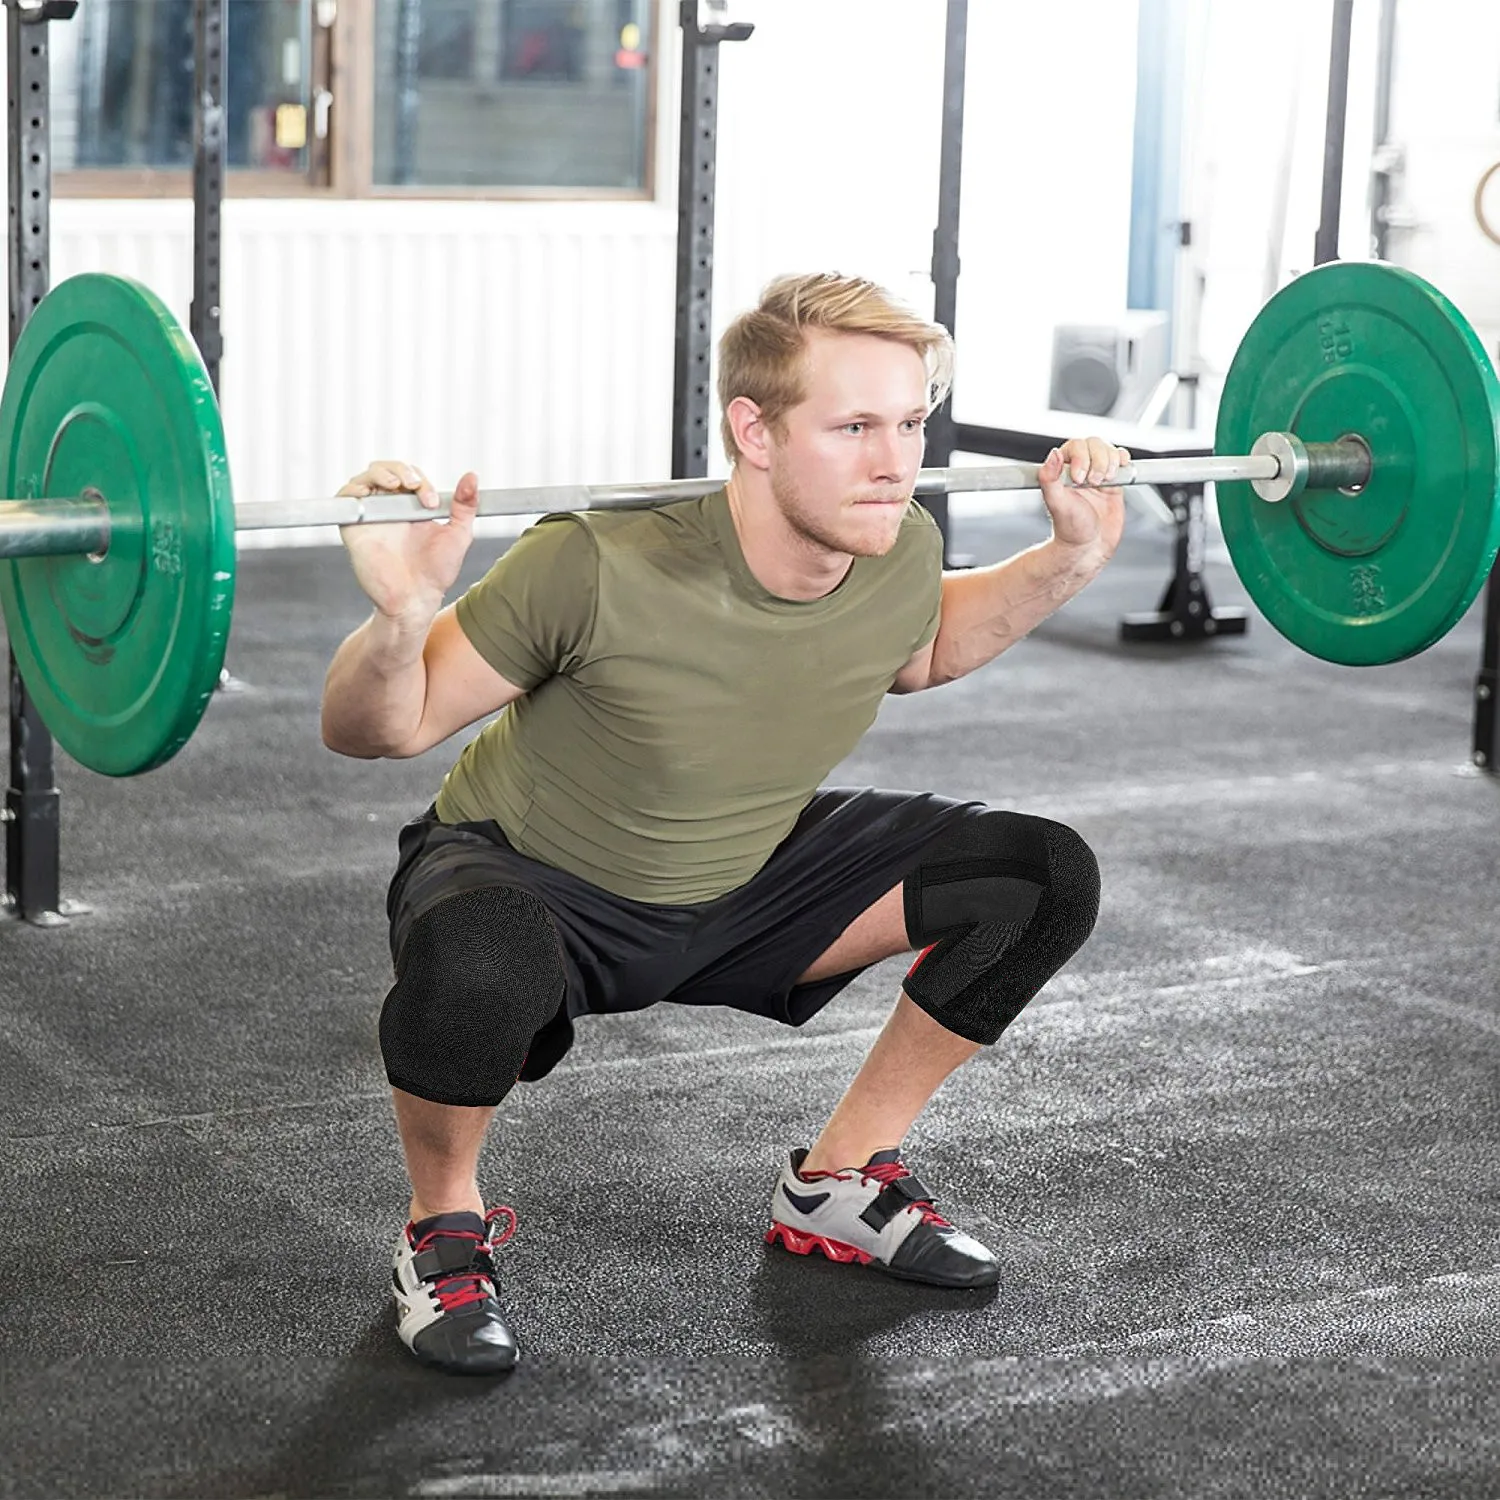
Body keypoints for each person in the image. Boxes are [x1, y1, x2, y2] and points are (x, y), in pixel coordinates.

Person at [321, 273, 1128, 1375]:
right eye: (852, 427)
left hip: (748, 880)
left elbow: (924, 647)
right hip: (537, 885)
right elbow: (383, 725)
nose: (895, 460)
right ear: (754, 430)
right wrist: (400, 619)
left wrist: (1069, 556)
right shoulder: (594, 562)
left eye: (908, 423)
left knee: (1040, 875)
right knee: (480, 963)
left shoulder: (895, 552)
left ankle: (839, 1181)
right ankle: (443, 1227)